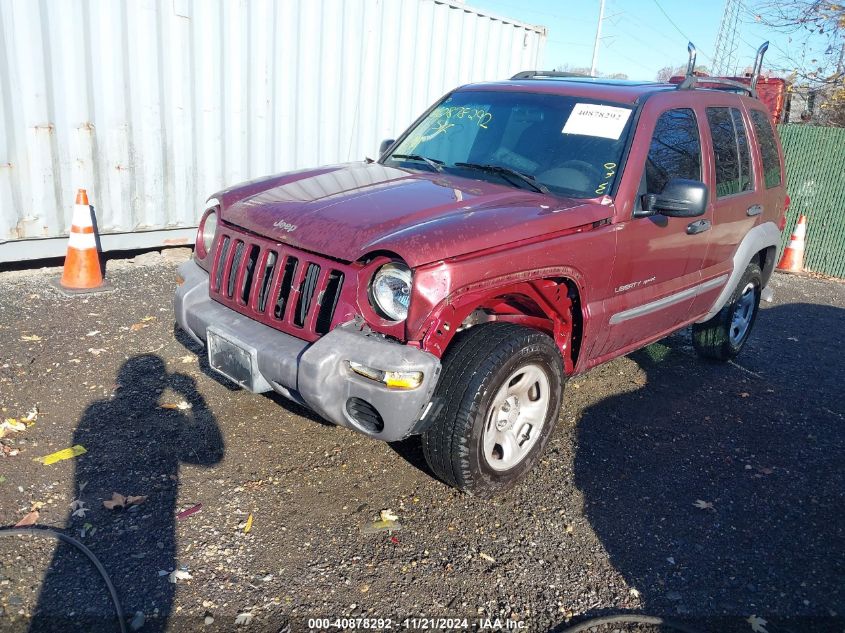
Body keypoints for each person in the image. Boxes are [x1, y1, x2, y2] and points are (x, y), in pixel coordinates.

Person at [31, 354, 224, 632]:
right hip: (151, 528)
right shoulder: (165, 416)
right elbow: (210, 455)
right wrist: (194, 398)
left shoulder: (96, 411)